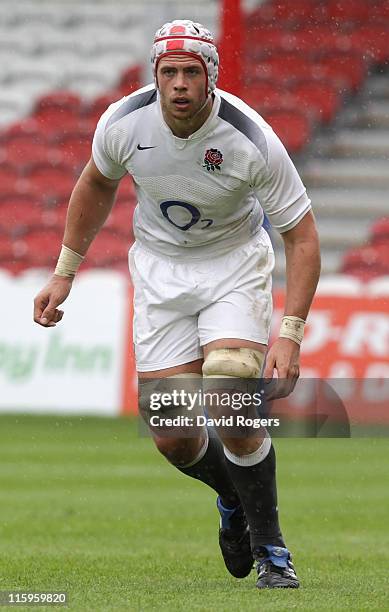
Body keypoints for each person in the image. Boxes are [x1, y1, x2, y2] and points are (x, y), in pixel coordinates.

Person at [33, 20, 321, 590]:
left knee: (232, 402)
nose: (180, 84)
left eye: (192, 72)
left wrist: (290, 330)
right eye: (170, 72)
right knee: (174, 434)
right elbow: (96, 184)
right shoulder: (122, 124)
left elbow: (301, 233)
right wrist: (65, 272)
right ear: (155, 75)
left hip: (234, 267)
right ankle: (233, 498)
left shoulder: (251, 138)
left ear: (211, 77)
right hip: (162, 272)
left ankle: (272, 553)